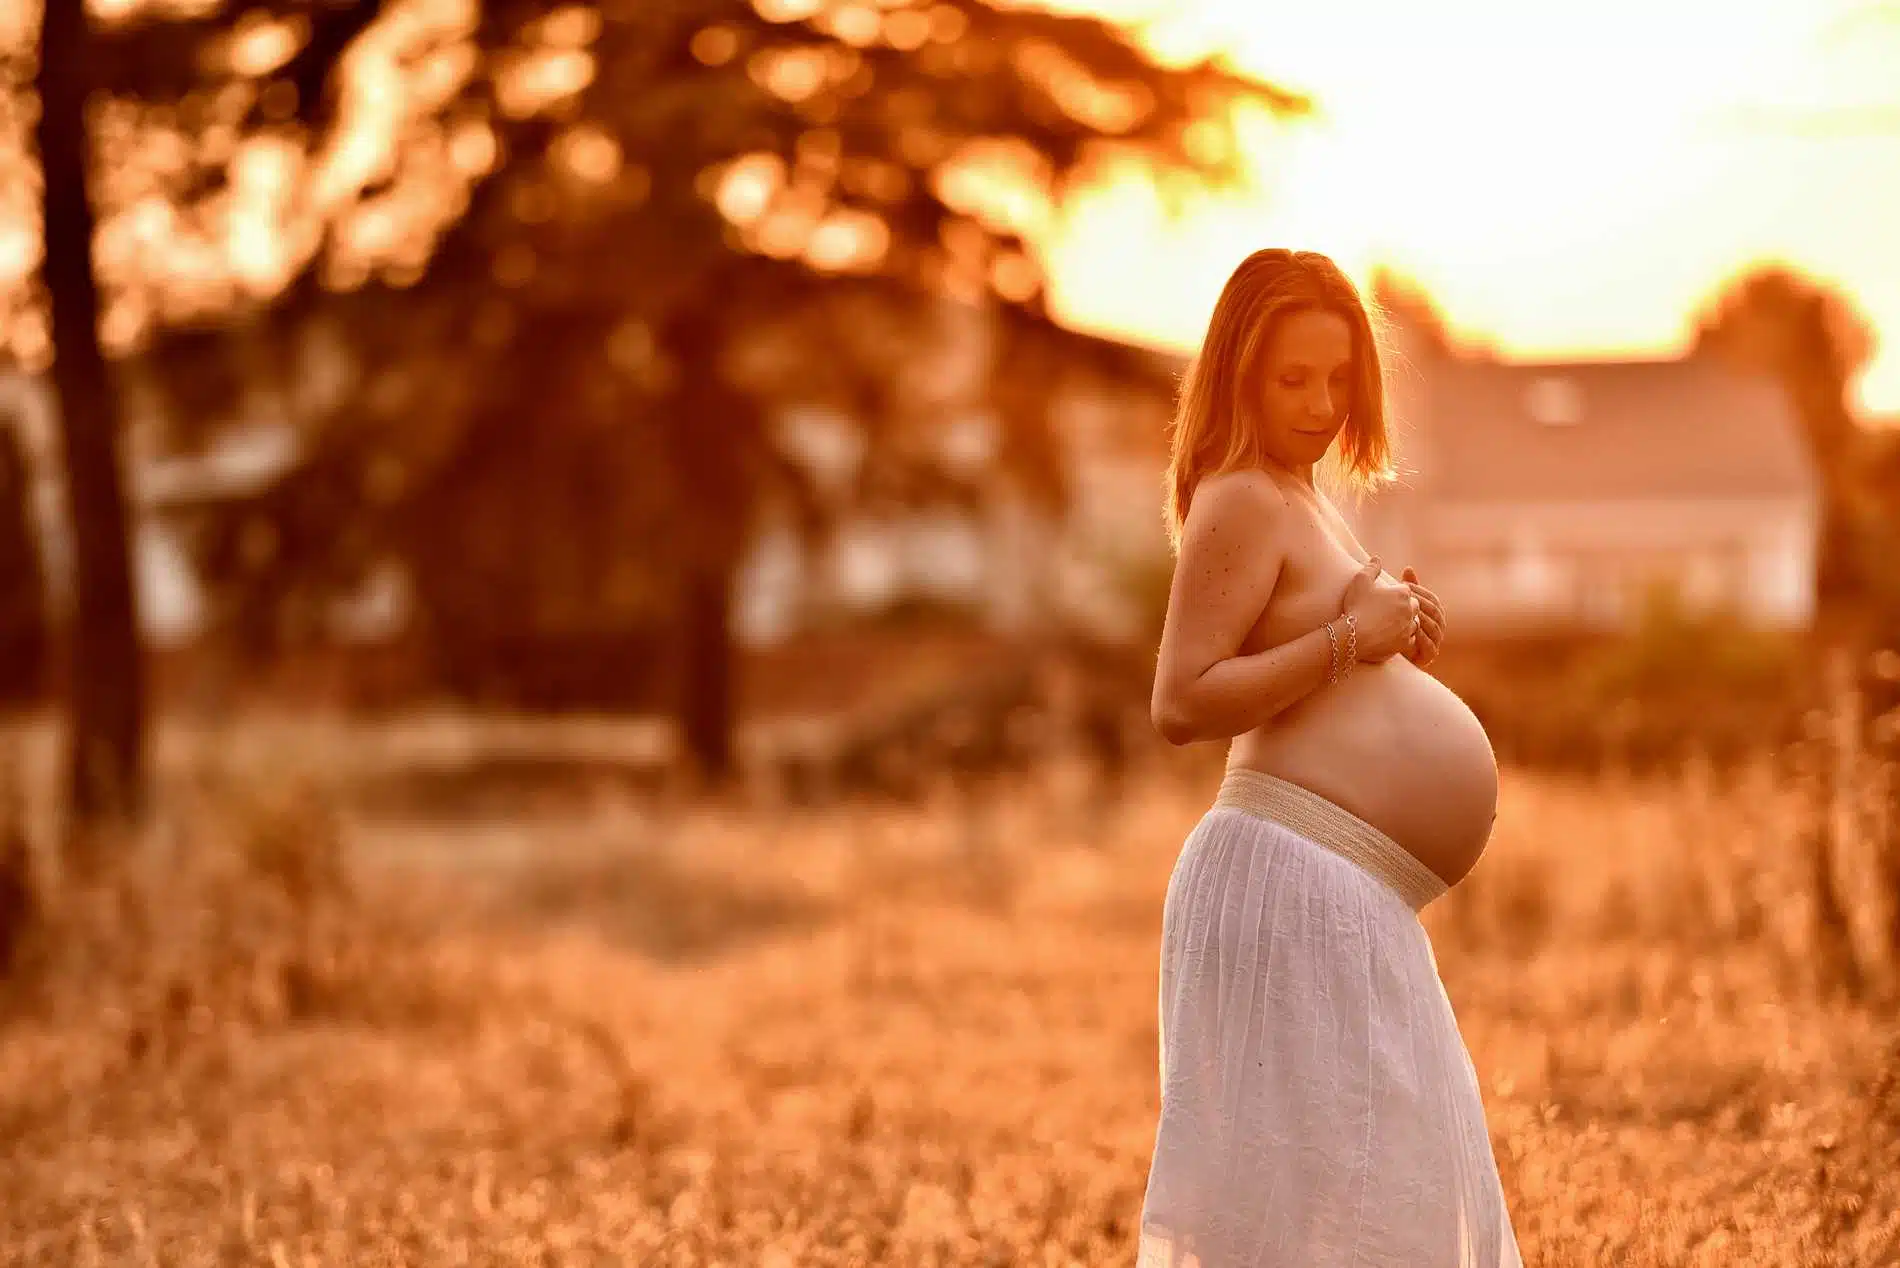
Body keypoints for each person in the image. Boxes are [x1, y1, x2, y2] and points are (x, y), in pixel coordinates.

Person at [1138, 248, 1521, 1267]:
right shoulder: (1239, 498)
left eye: (1338, 377)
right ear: (1238, 377)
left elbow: (1308, 656)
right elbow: (1181, 699)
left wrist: (1385, 636)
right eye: (1291, 378)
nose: (1319, 402)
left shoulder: (1300, 496)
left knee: (1384, 1184)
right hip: (1284, 876)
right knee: (1331, 1202)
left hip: (1341, 889)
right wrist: (1350, 641)